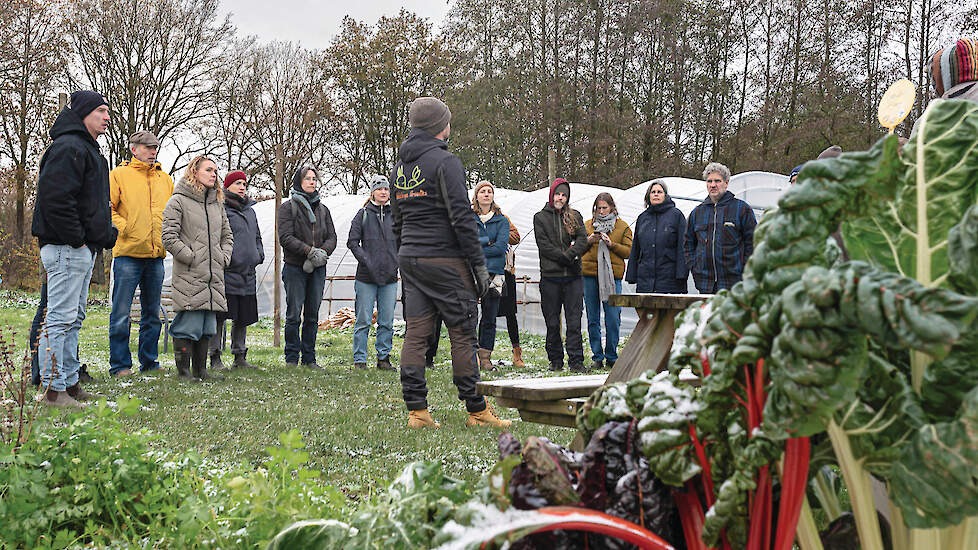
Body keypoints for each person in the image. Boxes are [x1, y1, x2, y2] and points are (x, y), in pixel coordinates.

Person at [391, 96, 509, 429]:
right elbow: (461, 218)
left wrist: (406, 255)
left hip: (412, 257)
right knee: (462, 332)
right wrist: (479, 267)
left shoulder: (399, 168)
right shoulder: (447, 163)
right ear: (440, 126)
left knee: (416, 334)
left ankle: (417, 411)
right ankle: (477, 410)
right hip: (445, 259)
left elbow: (397, 222)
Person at [31, 90, 117, 407]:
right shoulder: (69, 147)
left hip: (80, 248)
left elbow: (91, 203)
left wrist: (101, 234)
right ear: (83, 113)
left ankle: (69, 383)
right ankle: (53, 391)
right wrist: (77, 238)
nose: (107, 117)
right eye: (101, 111)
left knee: (73, 318)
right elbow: (55, 200)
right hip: (66, 246)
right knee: (60, 318)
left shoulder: (86, 149)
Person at [161, 155, 233, 381]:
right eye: (208, 170)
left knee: (207, 325)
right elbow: (169, 237)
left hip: (213, 275)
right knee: (188, 324)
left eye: (215, 171)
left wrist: (223, 257)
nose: (214, 174)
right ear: (194, 171)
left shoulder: (217, 204)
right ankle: (183, 372)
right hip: (190, 274)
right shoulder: (178, 201)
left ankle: (201, 370)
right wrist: (191, 257)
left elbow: (227, 236)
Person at [108, 130, 173, 378]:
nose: (152, 151)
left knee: (152, 313)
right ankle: (120, 365)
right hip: (127, 254)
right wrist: (125, 229)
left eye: (155, 147)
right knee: (121, 312)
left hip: (156, 256)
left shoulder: (165, 179)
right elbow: (108, 208)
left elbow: (172, 213)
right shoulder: (118, 175)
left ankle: (149, 362)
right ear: (134, 149)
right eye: (147, 147)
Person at [277, 164, 336, 369]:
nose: (312, 182)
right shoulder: (288, 208)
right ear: (299, 182)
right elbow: (285, 237)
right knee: (294, 314)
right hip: (295, 268)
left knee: (312, 315)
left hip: (318, 269)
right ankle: (291, 358)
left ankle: (309, 358)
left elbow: (332, 237)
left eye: (314, 179)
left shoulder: (323, 210)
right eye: (307, 178)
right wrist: (308, 251)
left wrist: (322, 252)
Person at [208, 171, 264, 370]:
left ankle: (239, 356)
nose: (242, 187)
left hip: (248, 273)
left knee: (243, 316)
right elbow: (216, 237)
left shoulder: (250, 211)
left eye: (244, 184)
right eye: (237, 183)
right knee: (220, 316)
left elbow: (257, 236)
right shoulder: (220, 208)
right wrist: (226, 259)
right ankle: (214, 356)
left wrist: (258, 254)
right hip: (227, 272)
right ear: (227, 186)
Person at [533, 177, 589, 372]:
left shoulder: (575, 216)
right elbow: (544, 245)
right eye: (558, 194)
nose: (560, 198)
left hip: (573, 277)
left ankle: (576, 361)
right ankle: (555, 360)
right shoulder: (540, 218)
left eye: (564, 195)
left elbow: (583, 240)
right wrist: (563, 257)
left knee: (574, 321)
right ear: (552, 195)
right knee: (552, 321)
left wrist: (570, 255)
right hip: (551, 277)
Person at [348, 174, 398, 371]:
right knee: (363, 320)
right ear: (372, 192)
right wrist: (366, 260)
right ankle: (360, 359)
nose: (383, 192)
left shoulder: (396, 216)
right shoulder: (363, 215)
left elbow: (403, 241)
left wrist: (397, 261)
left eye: (386, 189)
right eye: (379, 189)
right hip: (366, 277)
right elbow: (353, 242)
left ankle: (383, 358)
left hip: (390, 277)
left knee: (387, 321)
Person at [684, 162, 757, 294]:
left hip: (734, 284)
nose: (713, 185)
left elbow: (753, 243)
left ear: (726, 183)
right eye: (709, 181)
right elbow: (688, 243)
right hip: (705, 284)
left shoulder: (741, 209)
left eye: (717, 181)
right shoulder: (697, 212)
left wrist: (744, 270)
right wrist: (695, 268)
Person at [581, 192, 632, 371]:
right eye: (598, 208)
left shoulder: (622, 226)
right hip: (589, 276)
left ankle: (611, 356)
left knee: (613, 318)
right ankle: (597, 356)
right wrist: (588, 241)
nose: (601, 211)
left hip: (612, 278)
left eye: (604, 208)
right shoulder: (587, 225)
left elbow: (629, 251)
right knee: (593, 318)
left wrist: (612, 245)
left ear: (612, 208)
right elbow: (577, 249)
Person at [472, 180, 510, 369]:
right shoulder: (468, 219)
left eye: (489, 191)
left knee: (489, 317)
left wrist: (478, 246)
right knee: (469, 316)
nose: (486, 194)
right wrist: (488, 242)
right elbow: (465, 245)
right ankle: (470, 356)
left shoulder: (502, 220)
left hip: (495, 274)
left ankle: (485, 357)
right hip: (471, 273)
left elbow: (501, 247)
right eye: (483, 191)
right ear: (476, 196)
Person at [626, 180, 688, 294]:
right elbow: (636, 248)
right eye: (653, 192)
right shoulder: (642, 218)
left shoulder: (676, 216)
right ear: (648, 196)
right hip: (645, 280)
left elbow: (683, 247)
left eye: (659, 192)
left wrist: (682, 275)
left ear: (665, 195)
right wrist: (631, 275)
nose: (656, 194)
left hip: (669, 280)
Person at [496, 216, 525, 368]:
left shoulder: (503, 218)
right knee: (488, 314)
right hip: (489, 271)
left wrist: (498, 232)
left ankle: (517, 353)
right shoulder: (477, 218)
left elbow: (516, 237)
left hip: (507, 272)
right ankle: (482, 353)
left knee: (510, 313)